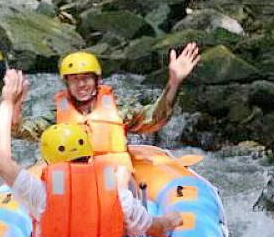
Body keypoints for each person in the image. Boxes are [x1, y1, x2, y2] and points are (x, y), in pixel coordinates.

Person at [0, 69, 182, 237]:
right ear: (89, 154)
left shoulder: (39, 194)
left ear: (48, 161)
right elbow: (158, 228)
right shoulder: (118, 195)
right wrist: (172, 219)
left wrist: (8, 102)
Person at [12, 45, 201, 169]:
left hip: (114, 178)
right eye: (74, 80)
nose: (81, 84)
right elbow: (19, 130)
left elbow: (155, 118)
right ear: (67, 84)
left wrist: (174, 82)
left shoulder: (119, 110)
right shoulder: (55, 118)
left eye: (86, 78)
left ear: (97, 80)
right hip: (73, 179)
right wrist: (14, 104)